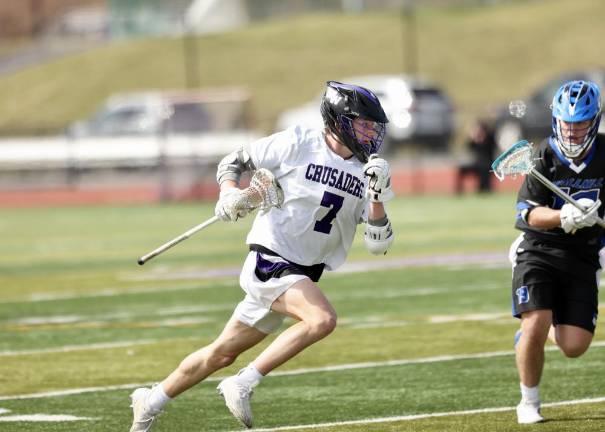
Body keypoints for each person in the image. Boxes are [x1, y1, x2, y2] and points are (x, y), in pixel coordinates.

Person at [129, 81, 395, 431]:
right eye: (363, 123)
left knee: (220, 353)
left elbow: (379, 242)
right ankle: (244, 382)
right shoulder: (299, 142)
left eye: (373, 126)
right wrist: (229, 193)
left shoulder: (370, 169)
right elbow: (234, 162)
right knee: (321, 320)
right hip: (270, 260)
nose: (370, 132)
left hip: (304, 272)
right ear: (339, 120)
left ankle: (149, 402)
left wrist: (376, 195)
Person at [509, 80, 603, 424]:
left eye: (580, 122)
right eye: (567, 121)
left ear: (594, 121)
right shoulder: (542, 156)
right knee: (536, 322)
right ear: (556, 120)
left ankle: (542, 321)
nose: (573, 130)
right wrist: (564, 215)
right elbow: (527, 213)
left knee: (574, 346)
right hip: (539, 249)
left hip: (583, 255)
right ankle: (528, 402)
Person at [455, 119, 497, 194]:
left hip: (488, 163)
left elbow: (489, 149)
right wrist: (473, 139)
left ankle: (484, 189)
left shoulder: (490, 138)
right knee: (462, 168)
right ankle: (459, 190)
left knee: (483, 167)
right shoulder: (475, 140)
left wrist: (482, 139)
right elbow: (469, 148)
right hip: (477, 163)